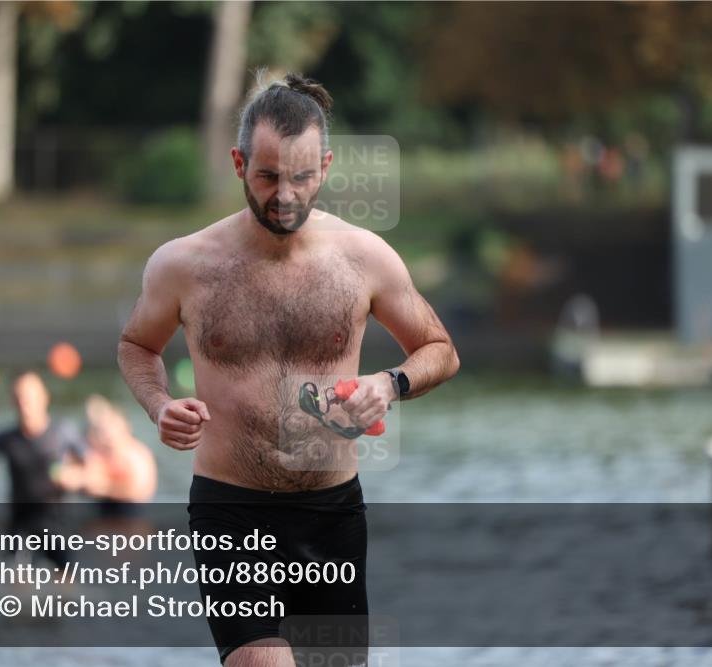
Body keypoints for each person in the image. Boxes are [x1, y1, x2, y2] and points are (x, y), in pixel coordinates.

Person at [118, 73, 460, 667]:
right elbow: (135, 345)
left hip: (330, 513)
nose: (285, 196)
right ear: (238, 162)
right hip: (232, 508)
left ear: (325, 167)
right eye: (269, 176)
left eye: (302, 178)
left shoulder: (364, 258)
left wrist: (389, 383)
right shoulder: (184, 264)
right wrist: (159, 406)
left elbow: (439, 349)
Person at [0, 371, 87, 565]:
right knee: (16, 583)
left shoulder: (63, 432)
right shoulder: (5, 438)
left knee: (65, 585)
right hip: (20, 520)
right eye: (19, 398)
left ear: (44, 398)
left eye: (29, 398)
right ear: (12, 402)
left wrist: (74, 477)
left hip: (58, 520)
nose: (24, 404)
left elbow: (89, 467)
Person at [54, 394, 157, 518]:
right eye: (104, 431)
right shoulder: (97, 452)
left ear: (125, 427)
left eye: (112, 429)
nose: (108, 435)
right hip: (101, 517)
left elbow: (139, 489)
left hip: (132, 517)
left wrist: (100, 485)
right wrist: (69, 476)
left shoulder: (137, 455)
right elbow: (71, 471)